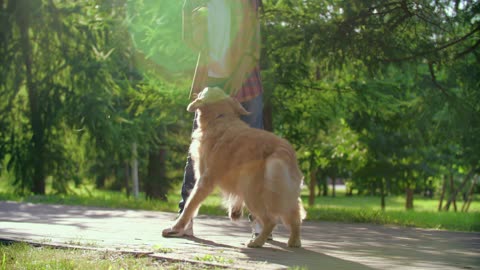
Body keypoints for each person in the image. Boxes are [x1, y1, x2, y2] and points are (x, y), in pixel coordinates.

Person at [166, 0, 268, 238]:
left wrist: (238, 73)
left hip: (244, 81)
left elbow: (253, 41)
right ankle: (186, 219)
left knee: (254, 152)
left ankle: (261, 221)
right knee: (199, 153)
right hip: (210, 83)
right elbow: (189, 35)